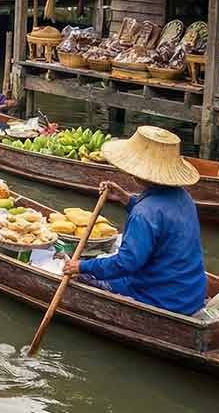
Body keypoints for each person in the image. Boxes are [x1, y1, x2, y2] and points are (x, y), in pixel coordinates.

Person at [63, 127, 208, 315]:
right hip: (191, 293)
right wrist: (127, 198)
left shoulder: (144, 213)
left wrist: (81, 266)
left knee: (85, 274)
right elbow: (160, 221)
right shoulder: (183, 197)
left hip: (160, 298)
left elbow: (126, 263)